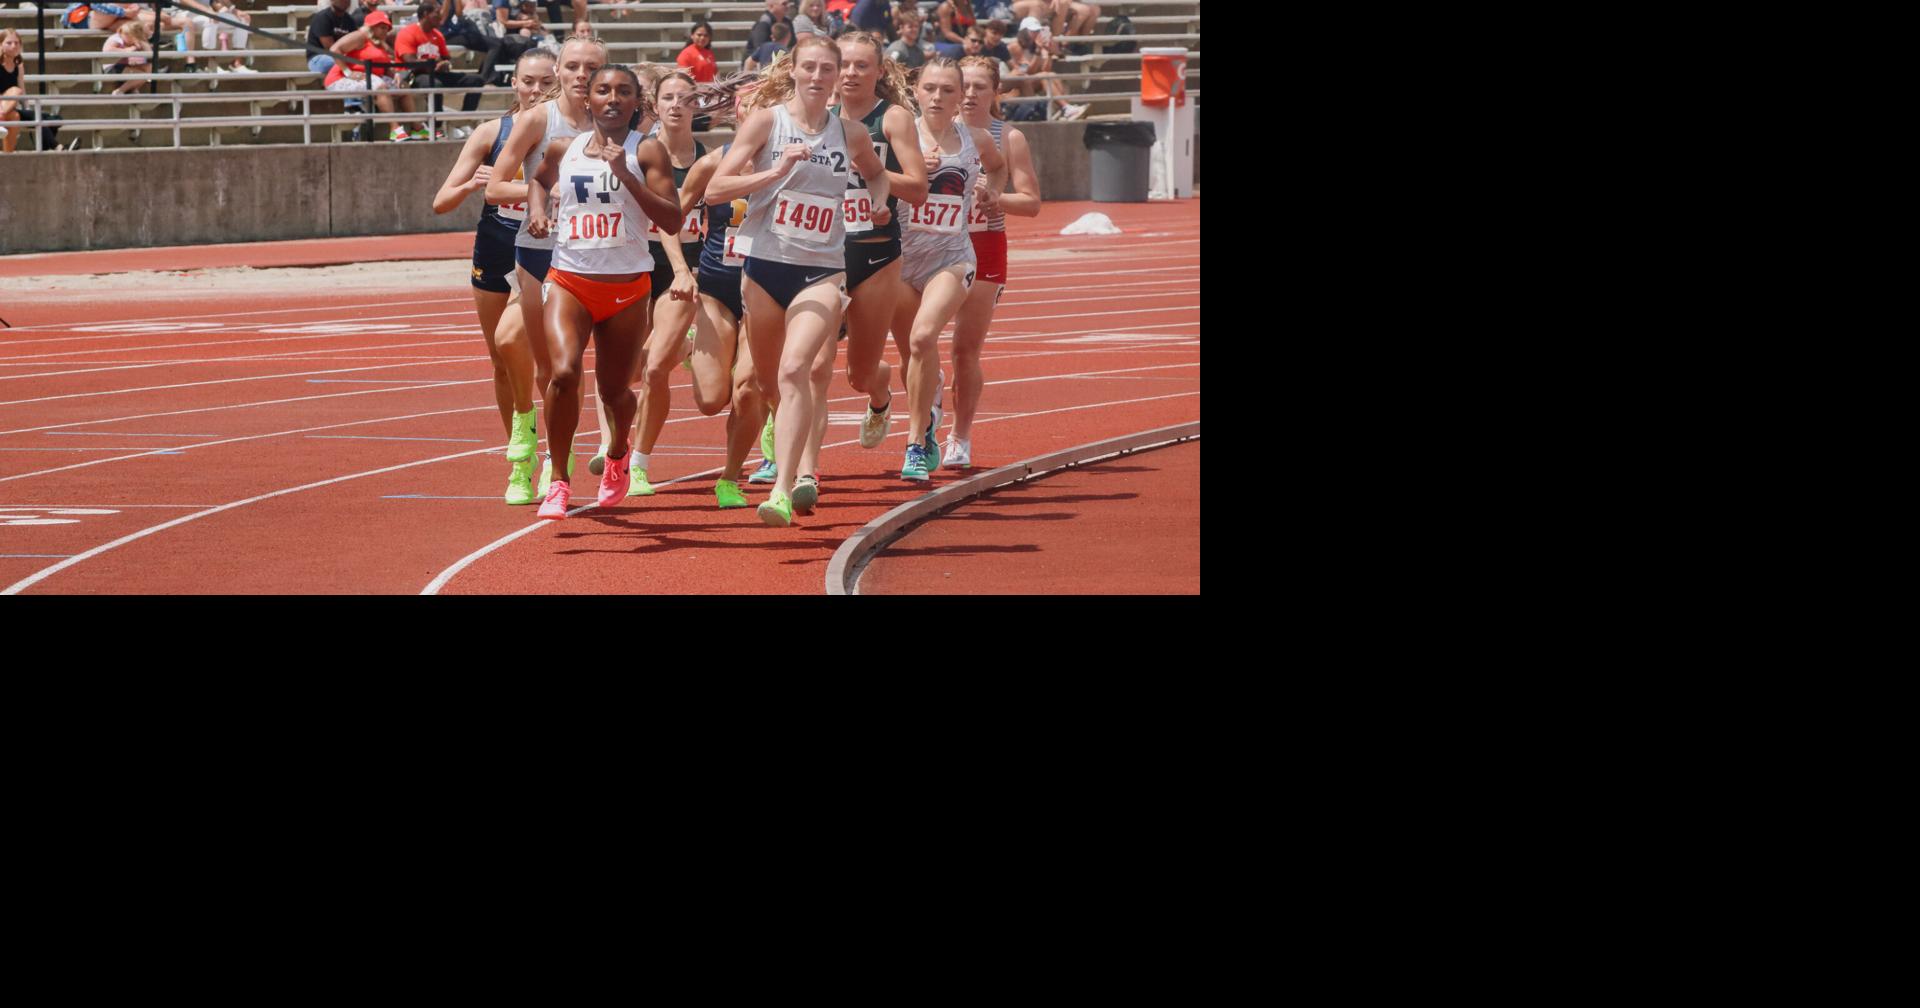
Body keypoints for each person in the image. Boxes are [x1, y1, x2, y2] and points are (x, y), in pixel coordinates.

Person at [705, 34, 891, 527]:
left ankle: (785, 489)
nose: (817, 77)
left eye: (826, 69)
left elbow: (877, 174)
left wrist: (877, 199)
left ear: (835, 77)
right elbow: (715, 188)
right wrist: (775, 172)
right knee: (769, 383)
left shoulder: (849, 133)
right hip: (764, 268)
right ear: (792, 70)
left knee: (796, 372)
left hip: (822, 272)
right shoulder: (767, 122)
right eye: (808, 67)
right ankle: (783, 440)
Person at [523, 64, 684, 520]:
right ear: (587, 99)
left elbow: (671, 220)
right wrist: (537, 211)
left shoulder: (646, 150)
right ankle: (558, 479)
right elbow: (537, 179)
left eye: (623, 92)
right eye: (603, 91)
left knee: (616, 392)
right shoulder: (564, 148)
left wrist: (626, 176)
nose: (612, 99)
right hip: (569, 279)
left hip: (627, 289)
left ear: (637, 103)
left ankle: (617, 454)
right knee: (563, 373)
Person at [430, 48, 556, 503]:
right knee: (502, 359)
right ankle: (520, 458)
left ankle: (555, 458)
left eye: (545, 81)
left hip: (544, 252)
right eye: (528, 81)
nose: (536, 90)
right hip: (497, 248)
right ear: (514, 83)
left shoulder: (565, 131)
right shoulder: (491, 131)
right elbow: (440, 202)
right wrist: (471, 185)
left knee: (543, 360)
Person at [485, 33, 604, 496]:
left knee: (562, 369)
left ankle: (566, 454)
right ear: (560, 71)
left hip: (595, 257)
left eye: (590, 68)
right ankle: (524, 432)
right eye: (573, 66)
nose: (581, 75)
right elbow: (495, 188)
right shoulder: (539, 119)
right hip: (537, 252)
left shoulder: (617, 120)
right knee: (512, 341)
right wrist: (541, 194)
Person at [890, 56, 1003, 481]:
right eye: (931, 89)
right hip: (900, 259)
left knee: (923, 337)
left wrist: (992, 195)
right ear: (915, 91)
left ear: (961, 98)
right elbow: (869, 179)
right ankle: (928, 407)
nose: (938, 97)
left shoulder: (976, 138)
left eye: (948, 90)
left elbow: (996, 168)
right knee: (911, 356)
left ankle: (916, 443)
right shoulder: (899, 136)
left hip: (952, 257)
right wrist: (913, 173)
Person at [596, 69, 709, 498]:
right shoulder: (637, 153)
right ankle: (615, 445)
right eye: (669, 98)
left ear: (696, 106)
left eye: (686, 98)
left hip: (686, 271)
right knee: (627, 368)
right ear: (654, 105)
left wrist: (689, 270)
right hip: (637, 265)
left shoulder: (707, 159)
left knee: (657, 367)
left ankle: (639, 463)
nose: (677, 104)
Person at [831, 29, 928, 471]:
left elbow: (919, 189)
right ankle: (781, 459)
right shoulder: (817, 115)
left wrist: (874, 175)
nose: (850, 73)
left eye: (860, 65)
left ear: (879, 71)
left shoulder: (892, 118)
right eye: (844, 64)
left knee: (858, 375)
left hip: (873, 252)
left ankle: (880, 390)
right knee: (801, 359)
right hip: (820, 254)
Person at [943, 54, 1037, 469]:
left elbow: (1032, 202)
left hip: (984, 245)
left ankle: (959, 436)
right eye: (962, 84)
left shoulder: (1008, 137)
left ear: (996, 92)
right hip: (935, 245)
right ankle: (924, 422)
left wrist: (998, 198)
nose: (969, 93)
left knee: (964, 349)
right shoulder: (932, 131)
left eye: (980, 86)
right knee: (920, 341)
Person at [396, 1, 484, 137]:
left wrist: (445, 64)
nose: (441, 15)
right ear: (426, 14)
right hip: (416, 75)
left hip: (438, 73)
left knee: (476, 80)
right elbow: (410, 62)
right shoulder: (408, 32)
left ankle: (464, 119)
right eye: (437, 12)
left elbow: (446, 58)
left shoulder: (437, 35)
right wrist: (432, 64)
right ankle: (436, 126)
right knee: (434, 84)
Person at [328, 11, 416, 140]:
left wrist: (395, 75)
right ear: (371, 27)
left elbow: (384, 68)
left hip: (369, 77)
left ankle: (417, 128)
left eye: (387, 28)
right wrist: (348, 72)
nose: (385, 31)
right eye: (382, 27)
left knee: (402, 86)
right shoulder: (360, 36)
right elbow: (334, 49)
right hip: (341, 78)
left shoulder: (380, 44)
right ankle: (395, 129)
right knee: (379, 86)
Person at [307, 0, 360, 78]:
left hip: (342, 56)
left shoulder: (350, 21)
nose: (344, 1)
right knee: (347, 62)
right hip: (318, 59)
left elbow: (356, 43)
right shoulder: (322, 17)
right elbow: (330, 48)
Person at [102, 20, 152, 96]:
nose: (132, 40)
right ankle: (119, 91)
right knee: (142, 75)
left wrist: (142, 43)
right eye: (131, 37)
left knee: (148, 67)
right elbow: (108, 50)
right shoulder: (116, 38)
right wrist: (126, 50)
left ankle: (133, 89)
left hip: (126, 63)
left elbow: (149, 53)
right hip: (114, 66)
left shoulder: (132, 40)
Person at [1, 28, 24, 154]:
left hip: (8, 108)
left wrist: (28, 108)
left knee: (16, 116)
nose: (14, 46)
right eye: (9, 43)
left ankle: (7, 156)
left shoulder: (18, 65)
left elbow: (22, 89)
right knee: (15, 91)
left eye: (16, 43)